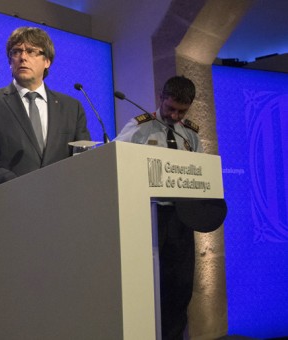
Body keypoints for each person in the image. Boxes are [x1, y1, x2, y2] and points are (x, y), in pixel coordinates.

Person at [0, 27, 91, 340]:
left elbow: (84, 162)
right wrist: (13, 183)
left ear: (47, 61)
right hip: (5, 226)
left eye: (32, 52)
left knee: (52, 315)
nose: (23, 57)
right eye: (17, 52)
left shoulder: (71, 107)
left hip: (56, 230)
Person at [115, 75, 201, 339]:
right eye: (171, 108)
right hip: (150, 215)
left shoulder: (190, 134)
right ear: (161, 98)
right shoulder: (139, 127)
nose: (175, 115)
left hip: (181, 217)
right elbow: (116, 160)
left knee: (181, 284)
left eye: (181, 111)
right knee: (149, 285)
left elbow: (197, 172)